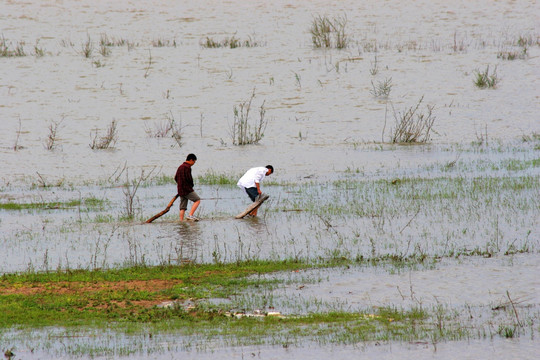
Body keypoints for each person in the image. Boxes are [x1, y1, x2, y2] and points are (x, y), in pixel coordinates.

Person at [175, 153, 201, 221]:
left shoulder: (180, 167)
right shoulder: (187, 167)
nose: (194, 163)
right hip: (187, 189)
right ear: (191, 160)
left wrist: (180, 185)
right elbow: (189, 179)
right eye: (194, 161)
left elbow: (175, 178)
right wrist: (191, 186)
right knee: (197, 200)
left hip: (180, 189)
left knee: (182, 207)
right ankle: (190, 215)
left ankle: (181, 221)